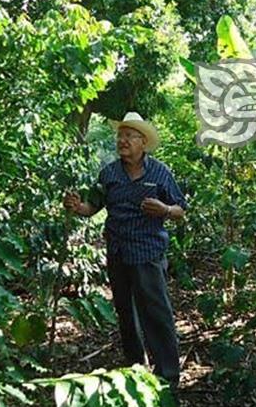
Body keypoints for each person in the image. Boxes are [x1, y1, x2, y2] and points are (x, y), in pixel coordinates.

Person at [64, 112, 187, 389]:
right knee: (125, 313)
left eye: (129, 136)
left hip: (148, 254)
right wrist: (76, 206)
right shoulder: (109, 174)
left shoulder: (160, 173)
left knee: (157, 314)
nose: (122, 140)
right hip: (118, 252)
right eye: (120, 135)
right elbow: (91, 208)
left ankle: (168, 378)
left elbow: (180, 209)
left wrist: (165, 210)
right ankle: (135, 368)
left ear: (143, 142)